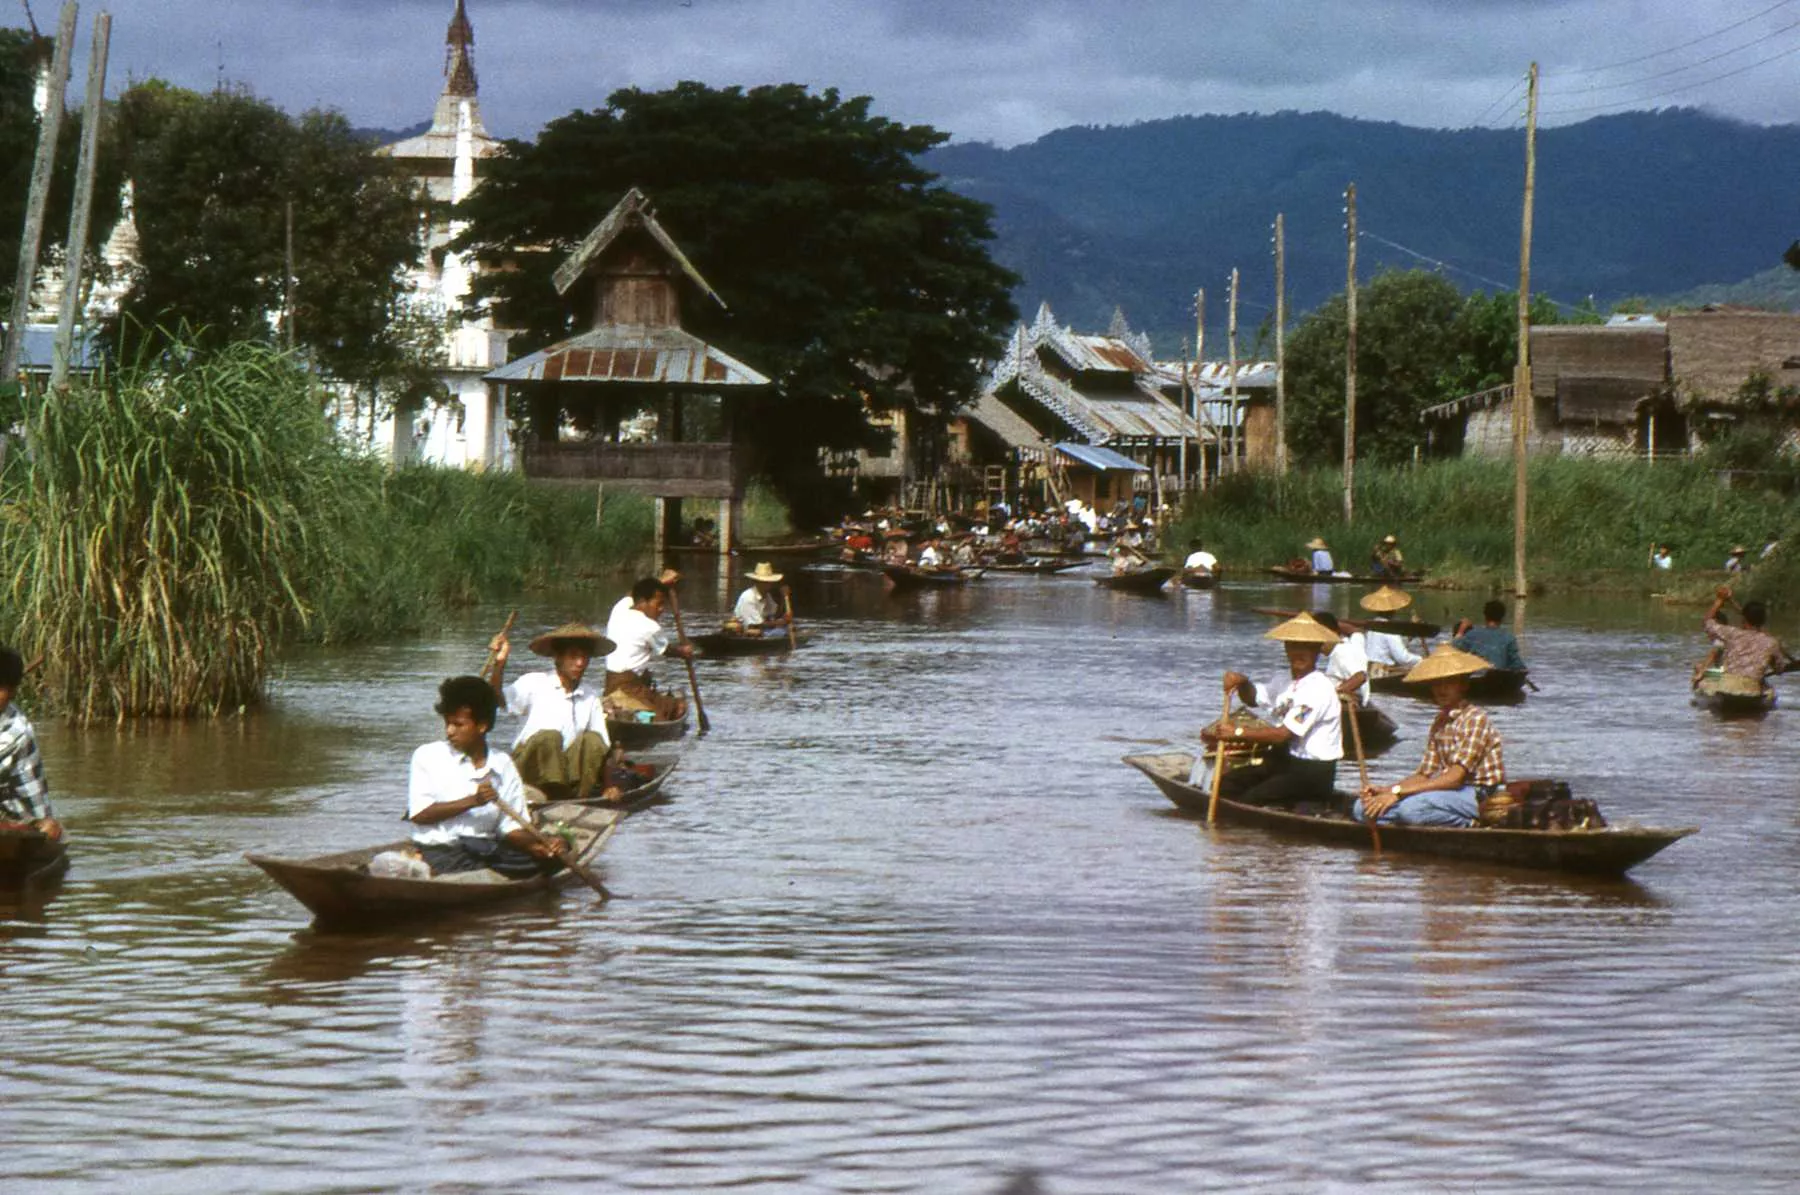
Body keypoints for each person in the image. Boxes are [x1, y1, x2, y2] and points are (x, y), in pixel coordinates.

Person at [408, 675, 567, 877]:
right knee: (501, 870)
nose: (449, 732)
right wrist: (473, 801)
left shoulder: (502, 764)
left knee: (554, 857)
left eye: (458, 724)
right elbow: (420, 814)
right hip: (442, 852)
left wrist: (539, 844)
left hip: (485, 849)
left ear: (481, 726)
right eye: (447, 723)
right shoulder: (428, 756)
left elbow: (510, 828)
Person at [1202, 612, 1344, 809]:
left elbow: (1281, 735)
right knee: (1227, 784)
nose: (1299, 652)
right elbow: (1253, 699)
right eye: (1294, 646)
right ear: (1286, 647)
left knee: (1250, 800)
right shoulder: (1283, 679)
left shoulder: (1318, 688)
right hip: (1285, 760)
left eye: (1308, 647)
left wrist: (1236, 733)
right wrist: (1243, 682)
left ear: (1318, 650)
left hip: (1312, 772)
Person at [1355, 644, 1505, 827]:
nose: (1441, 689)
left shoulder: (1475, 719)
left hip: (1478, 794)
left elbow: (1455, 778)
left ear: (1463, 685)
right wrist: (1386, 791)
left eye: (1449, 682)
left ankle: (1469, 823)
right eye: (1437, 683)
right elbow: (1424, 774)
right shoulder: (1439, 723)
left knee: (1412, 810)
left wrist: (1398, 792)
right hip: (1448, 793)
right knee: (1361, 808)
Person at [488, 621, 619, 802]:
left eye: (584, 657)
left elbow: (603, 747)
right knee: (550, 737)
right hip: (529, 770)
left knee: (593, 740)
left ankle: (579, 798)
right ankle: (555, 795)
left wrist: (609, 786)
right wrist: (499, 664)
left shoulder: (590, 696)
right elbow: (496, 700)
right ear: (558, 658)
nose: (580, 663)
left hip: (567, 773)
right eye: (573, 656)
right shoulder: (534, 683)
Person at [604, 577, 694, 722]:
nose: (661, 609)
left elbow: (630, 594)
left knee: (664, 702)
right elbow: (666, 650)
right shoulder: (649, 626)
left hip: (611, 687)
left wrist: (662, 580)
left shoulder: (619, 609)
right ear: (642, 603)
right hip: (629, 690)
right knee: (674, 710)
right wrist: (684, 652)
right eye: (658, 604)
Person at [0, 647, 59, 844]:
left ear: (12, 692)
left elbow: (35, 806)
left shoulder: (16, 734)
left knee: (48, 830)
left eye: (1, 687)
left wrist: (43, 824)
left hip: (6, 816)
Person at [1702, 586, 1793, 683]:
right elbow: (1779, 669)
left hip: (1728, 683)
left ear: (1743, 620)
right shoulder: (1771, 642)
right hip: (1752, 689)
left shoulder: (1731, 634)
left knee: (1703, 673)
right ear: (1764, 621)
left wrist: (1719, 601)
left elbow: (1707, 621)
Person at [1359, 585, 1424, 672]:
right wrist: (1422, 660)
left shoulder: (1372, 625)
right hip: (1382, 670)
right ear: (1394, 610)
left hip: (1370, 667)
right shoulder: (1389, 629)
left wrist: (1411, 632)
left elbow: (1391, 645)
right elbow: (1403, 658)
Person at [1313, 610, 1369, 706]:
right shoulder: (1353, 642)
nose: (1317, 645)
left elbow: (1361, 676)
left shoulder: (1341, 653)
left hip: (1349, 706)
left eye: (1321, 640)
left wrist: (1334, 692)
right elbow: (1357, 631)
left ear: (1334, 633)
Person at [1451, 600, 1527, 671]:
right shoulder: (1509, 638)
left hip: (1477, 677)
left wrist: (1461, 630)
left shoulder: (1472, 635)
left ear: (1485, 616)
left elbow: (1453, 647)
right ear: (1502, 618)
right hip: (1498, 678)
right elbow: (1517, 665)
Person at [731, 562, 790, 637]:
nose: (769, 584)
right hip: (749, 631)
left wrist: (784, 598)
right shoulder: (748, 597)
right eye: (765, 582)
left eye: (769, 582)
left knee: (788, 629)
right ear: (757, 582)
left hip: (763, 629)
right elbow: (757, 624)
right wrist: (781, 622)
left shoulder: (767, 595)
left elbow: (774, 614)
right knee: (780, 632)